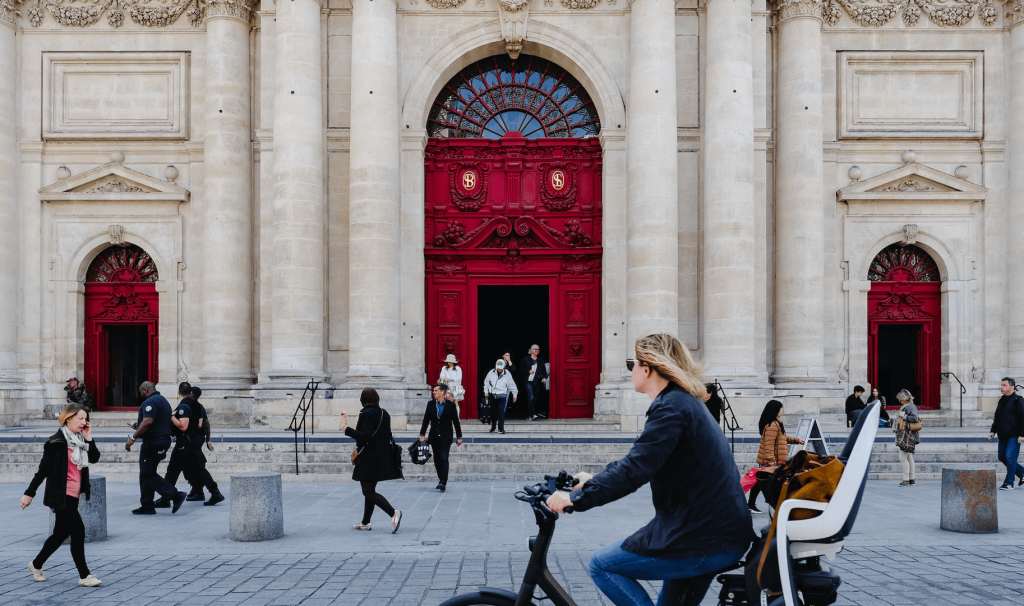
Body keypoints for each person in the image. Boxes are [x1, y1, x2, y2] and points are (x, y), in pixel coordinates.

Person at [547, 334, 755, 606]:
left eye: (631, 364)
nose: (630, 370)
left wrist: (576, 499)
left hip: (700, 537)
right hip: (715, 533)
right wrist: (593, 481)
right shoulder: (683, 402)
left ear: (647, 368)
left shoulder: (671, 408)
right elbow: (641, 458)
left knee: (602, 565)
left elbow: (636, 469)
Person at [22, 404, 102, 587]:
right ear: (68, 418)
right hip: (60, 495)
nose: (84, 422)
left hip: (74, 495)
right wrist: (29, 494)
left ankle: (36, 564)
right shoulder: (56, 443)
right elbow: (42, 471)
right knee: (78, 532)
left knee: (60, 534)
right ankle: (85, 575)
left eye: (85, 418)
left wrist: (89, 437)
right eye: (80, 418)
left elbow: (95, 457)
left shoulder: (81, 440)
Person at [341, 387, 403, 533]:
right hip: (381, 455)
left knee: (368, 491)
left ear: (363, 399)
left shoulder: (366, 414)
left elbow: (365, 436)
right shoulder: (384, 413)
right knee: (370, 489)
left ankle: (393, 513)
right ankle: (365, 522)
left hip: (369, 457)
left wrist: (346, 429)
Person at [154, 383, 224, 508]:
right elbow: (205, 423)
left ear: (178, 392)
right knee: (199, 469)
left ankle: (166, 498)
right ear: (190, 393)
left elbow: (183, 425)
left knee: (173, 470)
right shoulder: (197, 405)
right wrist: (207, 440)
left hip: (185, 443)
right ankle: (215, 492)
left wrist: (170, 417)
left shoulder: (184, 406)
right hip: (194, 441)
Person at [127, 381, 185, 515]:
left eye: (141, 391)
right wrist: (139, 426)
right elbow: (157, 421)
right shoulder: (163, 400)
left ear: (146, 390)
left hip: (153, 442)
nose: (141, 394)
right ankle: (147, 505)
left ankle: (175, 495)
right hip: (162, 440)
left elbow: (148, 422)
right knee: (147, 472)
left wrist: (133, 438)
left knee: (148, 473)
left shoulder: (150, 402)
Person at [747, 400, 805, 514]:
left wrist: (796, 440)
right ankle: (760, 504)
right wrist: (770, 461)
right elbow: (769, 444)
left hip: (776, 459)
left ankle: (752, 504)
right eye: (780, 409)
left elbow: (782, 438)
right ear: (775, 411)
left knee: (761, 482)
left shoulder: (775, 423)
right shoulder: (772, 425)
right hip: (773, 460)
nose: (781, 411)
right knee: (767, 482)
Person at [419, 383, 463, 492]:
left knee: (444, 457)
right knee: (437, 459)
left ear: (442, 392)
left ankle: (443, 481)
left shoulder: (450, 405)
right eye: (433, 391)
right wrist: (422, 434)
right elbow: (425, 420)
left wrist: (459, 436)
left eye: (436, 391)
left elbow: (456, 422)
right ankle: (440, 479)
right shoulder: (430, 404)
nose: (434, 393)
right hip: (434, 436)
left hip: (446, 436)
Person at [186, 386, 222, 504]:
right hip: (198, 440)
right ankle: (197, 490)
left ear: (191, 393)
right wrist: (207, 440)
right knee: (192, 466)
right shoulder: (200, 407)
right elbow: (207, 424)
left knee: (198, 467)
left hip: (192, 440)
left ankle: (214, 492)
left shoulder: (190, 406)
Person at [989, 377, 1024, 490]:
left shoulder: (1018, 400)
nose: (1002, 387)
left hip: (1014, 435)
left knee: (1010, 458)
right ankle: (1022, 473)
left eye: (1004, 385)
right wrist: (993, 431)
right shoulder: (1002, 400)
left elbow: (1023, 418)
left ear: (1012, 387)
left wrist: (1022, 434)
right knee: (1002, 457)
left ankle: (1009, 483)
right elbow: (997, 417)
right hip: (1002, 435)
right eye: (1001, 385)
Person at [483, 359, 518, 434]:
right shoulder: (491, 372)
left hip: (502, 394)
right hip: (493, 394)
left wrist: (514, 394)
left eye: (501, 368)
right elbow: (486, 382)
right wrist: (486, 391)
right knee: (493, 412)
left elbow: (511, 384)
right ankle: (493, 427)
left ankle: (501, 428)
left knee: (501, 411)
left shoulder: (507, 373)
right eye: (498, 368)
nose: (499, 369)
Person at [893, 389, 920, 487]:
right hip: (906, 435)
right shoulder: (907, 406)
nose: (899, 401)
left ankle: (906, 479)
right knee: (909, 457)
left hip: (908, 436)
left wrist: (903, 416)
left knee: (903, 457)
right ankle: (911, 478)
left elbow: (914, 418)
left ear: (905, 398)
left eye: (900, 399)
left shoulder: (911, 407)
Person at [520, 344, 549, 420]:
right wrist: (528, 371)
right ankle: (532, 414)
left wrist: (544, 378)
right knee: (531, 397)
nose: (537, 351)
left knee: (534, 398)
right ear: (532, 350)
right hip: (528, 381)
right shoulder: (526, 359)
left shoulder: (540, 360)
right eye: (535, 349)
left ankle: (530, 415)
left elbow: (543, 370)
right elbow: (521, 370)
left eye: (538, 350)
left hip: (537, 381)